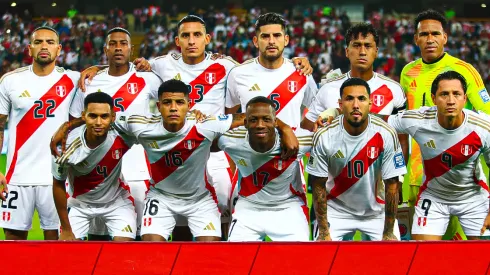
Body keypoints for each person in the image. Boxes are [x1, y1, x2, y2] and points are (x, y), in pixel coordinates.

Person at [77, 15, 313, 240]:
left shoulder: (227, 66)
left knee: (223, 207)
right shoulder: (160, 65)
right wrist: (97, 68)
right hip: (176, 148)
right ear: (177, 40)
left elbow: (263, 70)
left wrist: (296, 62)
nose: (192, 41)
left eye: (197, 35)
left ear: (207, 39)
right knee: (177, 216)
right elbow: (123, 68)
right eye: (186, 35)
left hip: (214, 150)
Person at [52, 79, 297, 241]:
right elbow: (102, 118)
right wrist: (67, 126)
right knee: (151, 251)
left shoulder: (204, 125)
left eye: (180, 102)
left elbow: (251, 116)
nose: (173, 108)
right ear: (158, 106)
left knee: (210, 256)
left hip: (200, 199)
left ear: (189, 105)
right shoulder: (140, 126)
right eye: (167, 102)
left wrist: (284, 128)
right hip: (160, 197)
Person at [64, 27, 162, 240]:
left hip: (138, 164)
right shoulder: (89, 81)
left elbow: (171, 97)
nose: (118, 48)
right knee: (97, 236)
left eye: (123, 43)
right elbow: (75, 121)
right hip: (100, 164)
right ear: (105, 48)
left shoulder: (148, 78)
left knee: (137, 234)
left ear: (131, 48)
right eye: (113, 44)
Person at [400, 9, 490, 240]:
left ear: (445, 37)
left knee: (464, 250)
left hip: (461, 175)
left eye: (435, 34)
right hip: (419, 174)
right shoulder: (408, 72)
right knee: (427, 253)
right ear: (416, 39)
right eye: (425, 34)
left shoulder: (465, 70)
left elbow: (486, 115)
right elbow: (405, 122)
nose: (430, 39)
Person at [388, 71, 490, 240]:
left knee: (484, 259)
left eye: (456, 94)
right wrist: (338, 114)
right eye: (444, 94)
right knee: (422, 257)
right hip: (433, 197)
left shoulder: (483, 127)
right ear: (433, 98)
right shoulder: (418, 120)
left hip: (474, 198)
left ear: (465, 99)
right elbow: (378, 122)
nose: (451, 100)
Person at [0, 27, 79, 240]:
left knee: (55, 242)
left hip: (56, 177)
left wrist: (96, 68)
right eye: (39, 42)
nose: (44, 46)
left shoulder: (72, 80)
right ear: (29, 48)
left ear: (59, 49)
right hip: (16, 177)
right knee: (13, 242)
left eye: (50, 42)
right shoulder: (10, 81)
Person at [307, 78, 405, 241]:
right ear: (340, 104)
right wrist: (324, 232)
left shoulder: (386, 133)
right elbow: (318, 186)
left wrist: (388, 232)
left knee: (392, 260)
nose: (355, 105)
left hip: (376, 213)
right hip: (336, 212)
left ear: (371, 103)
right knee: (322, 260)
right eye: (349, 98)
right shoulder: (325, 136)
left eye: (361, 99)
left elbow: (392, 185)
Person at [216, 96, 310, 241]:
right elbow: (203, 135)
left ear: (275, 122)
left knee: (297, 260)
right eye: (254, 120)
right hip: (248, 207)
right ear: (245, 123)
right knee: (236, 260)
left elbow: (328, 140)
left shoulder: (298, 140)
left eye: (266, 119)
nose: (260, 125)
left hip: (288, 207)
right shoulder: (230, 140)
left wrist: (332, 115)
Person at [52, 92, 136, 241]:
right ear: (83, 116)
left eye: (104, 116)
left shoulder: (122, 133)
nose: (98, 122)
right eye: (93, 116)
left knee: (124, 251)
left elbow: (156, 124)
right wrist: (66, 229)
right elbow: (58, 184)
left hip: (116, 201)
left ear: (113, 117)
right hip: (80, 204)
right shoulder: (65, 146)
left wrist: (191, 115)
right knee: (68, 253)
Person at [225, 13, 318, 130]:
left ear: (286, 40)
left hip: (290, 147)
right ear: (255, 41)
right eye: (265, 36)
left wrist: (300, 133)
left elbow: (317, 110)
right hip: (252, 146)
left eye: (277, 35)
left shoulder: (301, 72)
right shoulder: (238, 73)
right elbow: (228, 116)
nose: (271, 41)